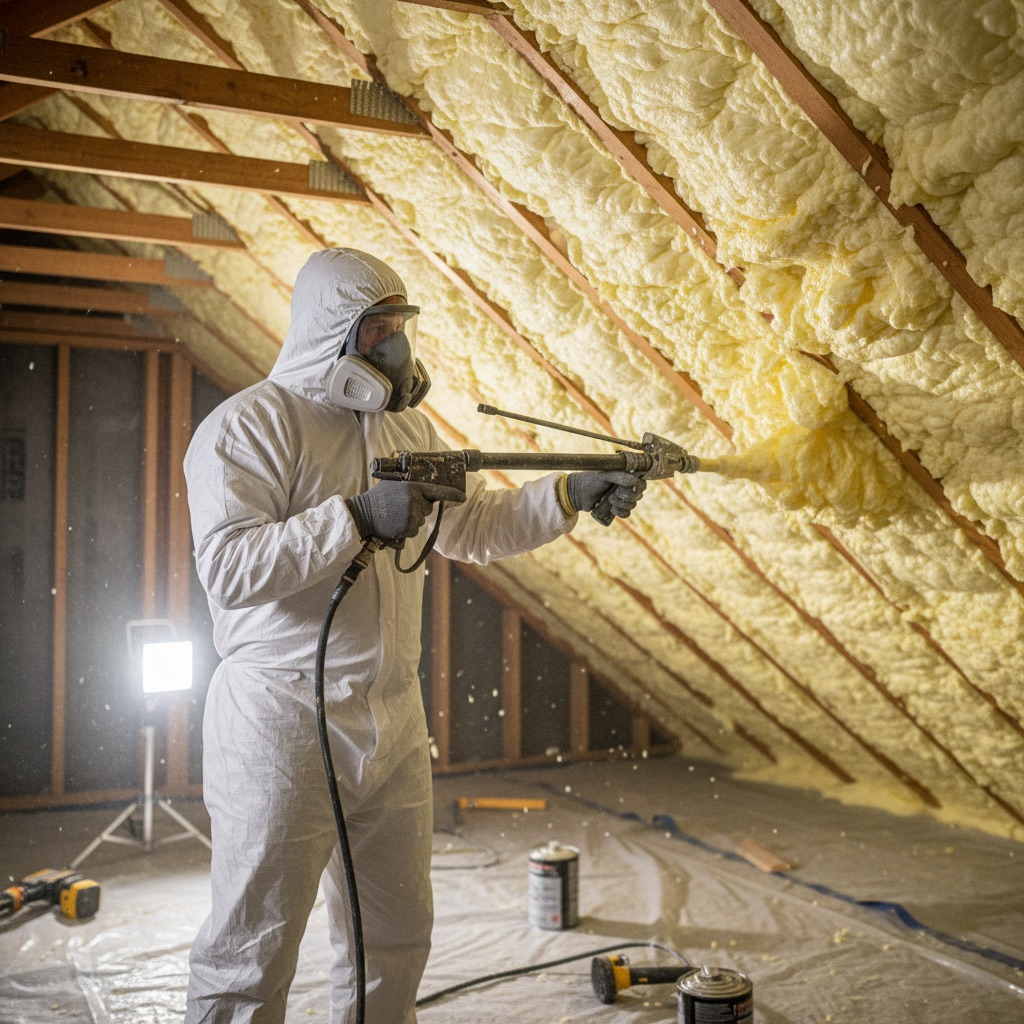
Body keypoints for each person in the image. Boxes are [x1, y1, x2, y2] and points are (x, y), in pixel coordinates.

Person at [182, 247, 647, 1023]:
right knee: (252, 949)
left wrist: (565, 494)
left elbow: (471, 528)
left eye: (402, 327)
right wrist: (356, 517)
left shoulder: (404, 423)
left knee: (392, 936)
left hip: (390, 715)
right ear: (333, 334)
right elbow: (229, 569)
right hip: (282, 721)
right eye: (379, 330)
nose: (397, 348)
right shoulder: (248, 428)